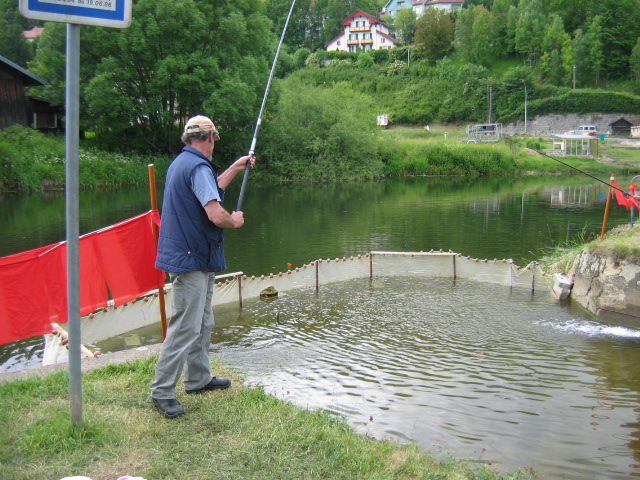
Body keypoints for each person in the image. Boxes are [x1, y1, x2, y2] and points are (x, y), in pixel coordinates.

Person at [150, 115, 255, 419]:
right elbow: (215, 213)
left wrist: (235, 168)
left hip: (195, 255)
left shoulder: (185, 163)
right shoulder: (197, 167)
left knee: (203, 321)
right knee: (185, 326)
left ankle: (198, 378)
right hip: (190, 257)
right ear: (210, 138)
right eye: (214, 139)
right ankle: (161, 391)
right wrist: (233, 221)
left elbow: (210, 187)